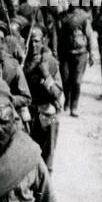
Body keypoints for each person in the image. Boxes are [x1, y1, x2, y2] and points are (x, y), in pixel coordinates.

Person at [22, 26, 64, 169]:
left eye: (37, 41)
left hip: (46, 114)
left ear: (43, 41)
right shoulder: (22, 61)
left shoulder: (50, 62)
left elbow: (57, 92)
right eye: (30, 42)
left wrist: (46, 74)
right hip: (27, 115)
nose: (33, 45)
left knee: (47, 157)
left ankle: (44, 190)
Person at [55, 4, 96, 116]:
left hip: (80, 53)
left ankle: (74, 106)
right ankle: (67, 101)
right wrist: (55, 53)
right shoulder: (62, 17)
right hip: (65, 53)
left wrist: (92, 53)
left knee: (77, 81)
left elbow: (89, 35)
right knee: (65, 79)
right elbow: (56, 35)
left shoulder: (83, 17)